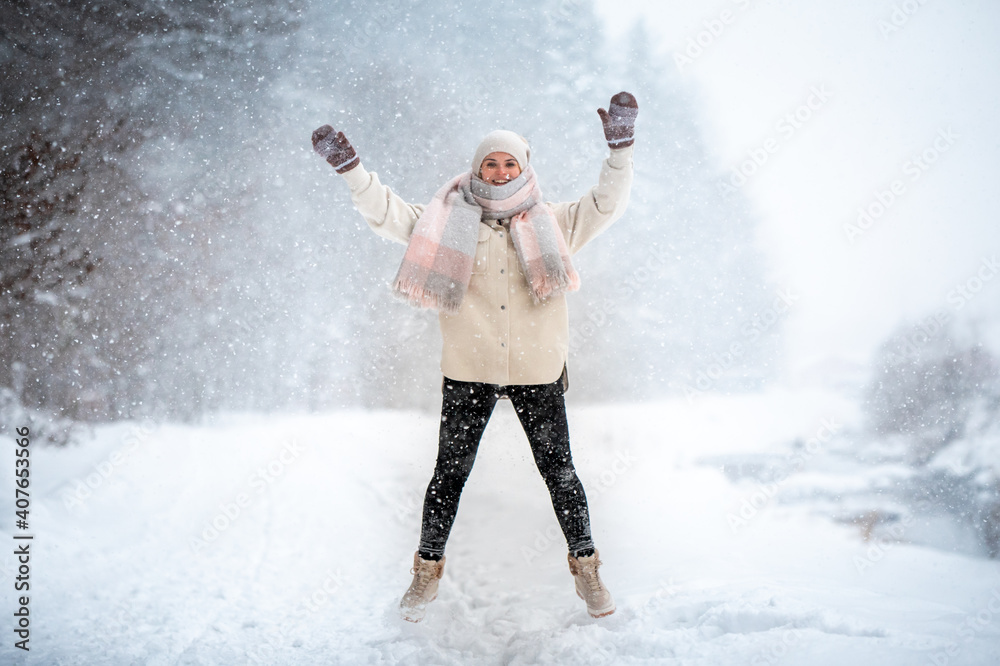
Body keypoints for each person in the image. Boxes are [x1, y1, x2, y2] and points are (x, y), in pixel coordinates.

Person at [311, 91, 637, 621]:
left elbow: (607, 202)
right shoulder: (444, 221)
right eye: (492, 162)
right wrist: (352, 170)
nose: (502, 170)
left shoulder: (555, 221)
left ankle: (588, 571)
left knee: (560, 474)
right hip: (470, 372)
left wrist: (620, 150)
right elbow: (386, 212)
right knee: (448, 475)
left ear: (525, 167)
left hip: (538, 370)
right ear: (477, 167)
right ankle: (425, 573)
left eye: (511, 162)